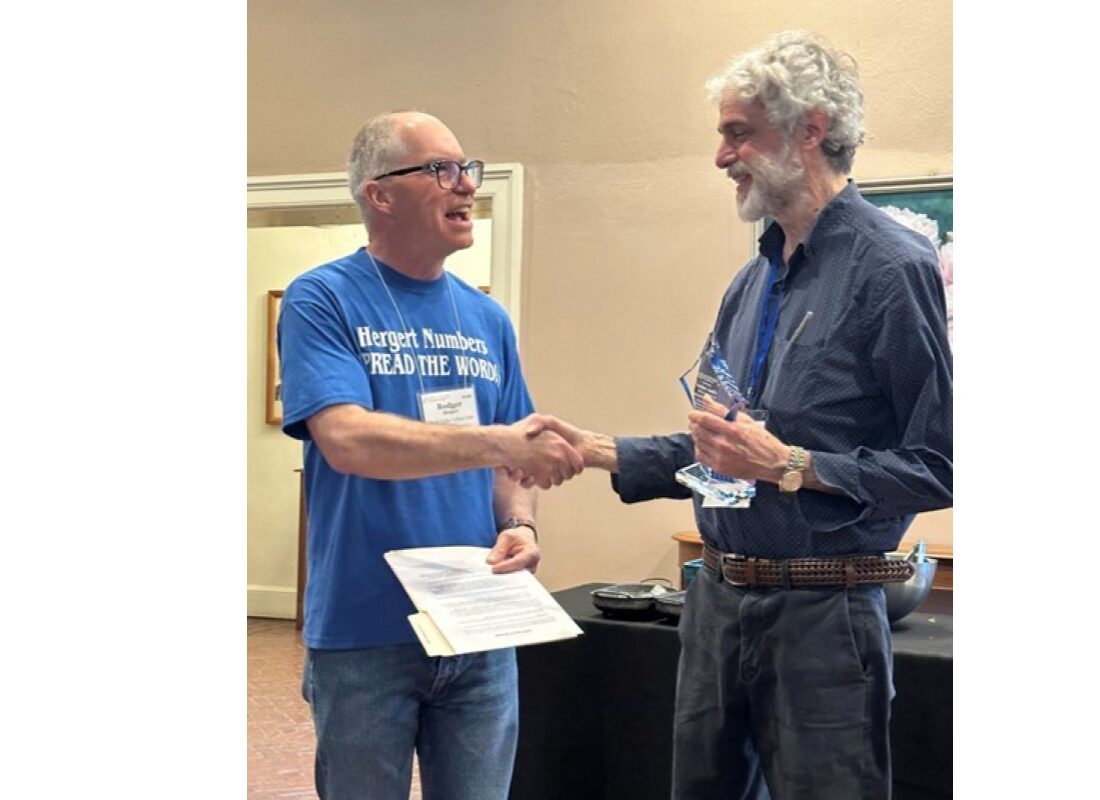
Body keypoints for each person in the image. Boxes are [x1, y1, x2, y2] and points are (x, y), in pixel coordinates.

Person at [535, 31, 953, 800]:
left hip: (826, 618)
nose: (721, 156)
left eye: (738, 133)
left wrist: (791, 465)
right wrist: (595, 449)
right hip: (716, 607)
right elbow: (721, 455)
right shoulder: (748, 284)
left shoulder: (893, 269)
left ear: (810, 130)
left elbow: (938, 465)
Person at [277, 110, 583, 800]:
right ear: (379, 194)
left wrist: (520, 522)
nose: (466, 184)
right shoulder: (321, 298)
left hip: (478, 621)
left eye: (466, 168)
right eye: (441, 170)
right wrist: (498, 442)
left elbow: (516, 464)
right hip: (365, 631)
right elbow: (347, 439)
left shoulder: (487, 318)